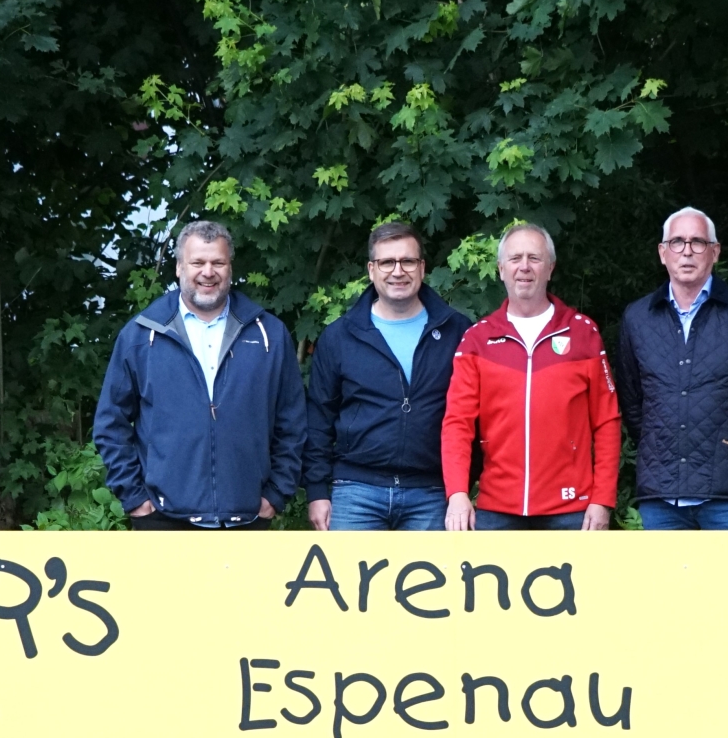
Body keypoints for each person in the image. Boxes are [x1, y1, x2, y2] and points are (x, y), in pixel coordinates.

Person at [94, 220, 305, 530]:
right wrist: (135, 498)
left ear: (230, 268)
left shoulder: (268, 335)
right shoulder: (141, 335)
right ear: (179, 267)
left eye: (218, 262)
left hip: (247, 518)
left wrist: (275, 494)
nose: (208, 272)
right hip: (163, 520)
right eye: (197, 263)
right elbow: (111, 423)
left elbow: (293, 421)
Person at [611, 206, 728, 530]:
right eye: (677, 242)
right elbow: (630, 400)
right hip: (662, 500)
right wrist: (660, 450)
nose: (687, 251)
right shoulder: (637, 318)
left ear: (715, 252)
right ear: (662, 253)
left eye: (698, 242)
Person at [442, 223, 620, 531]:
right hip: (497, 508)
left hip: (571, 509)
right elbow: (457, 423)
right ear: (501, 269)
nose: (524, 266)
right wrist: (457, 492)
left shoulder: (582, 333)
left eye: (534, 258)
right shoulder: (477, 340)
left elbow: (607, 421)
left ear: (550, 268)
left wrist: (602, 498)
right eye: (515, 258)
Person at [303, 222, 469, 531]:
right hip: (356, 491)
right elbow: (319, 419)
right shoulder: (340, 336)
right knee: (349, 568)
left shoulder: (457, 332)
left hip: (432, 492)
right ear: (371, 269)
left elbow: (473, 415)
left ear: (422, 268)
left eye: (408, 261)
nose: (398, 271)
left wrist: (463, 486)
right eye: (387, 262)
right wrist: (316, 491)